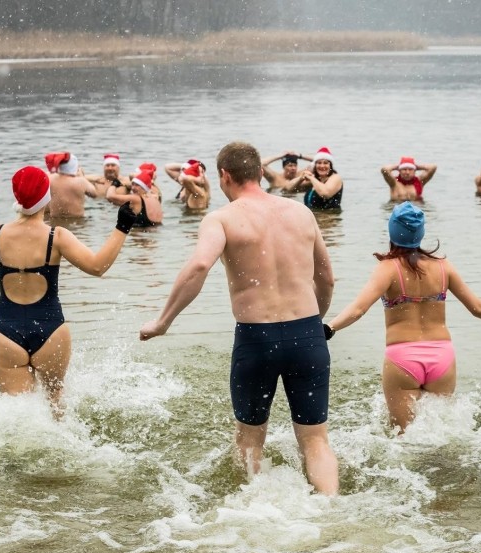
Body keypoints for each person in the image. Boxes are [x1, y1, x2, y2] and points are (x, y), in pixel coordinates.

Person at [140, 141, 338, 495]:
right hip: (307, 336)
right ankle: (331, 509)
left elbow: (200, 264)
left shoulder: (222, 219)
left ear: (224, 176)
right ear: (261, 173)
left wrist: (163, 322)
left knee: (249, 441)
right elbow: (327, 278)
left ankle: (256, 515)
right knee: (315, 441)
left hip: (256, 341)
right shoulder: (301, 214)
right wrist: (313, 325)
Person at [0, 165, 136, 417]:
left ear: (17, 197)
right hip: (51, 331)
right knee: (55, 405)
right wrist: (122, 227)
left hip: (6, 331)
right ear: (46, 197)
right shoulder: (57, 236)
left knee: (15, 416)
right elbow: (97, 267)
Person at [325, 202, 481, 433]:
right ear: (421, 233)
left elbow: (358, 309)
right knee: (441, 433)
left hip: (403, 358)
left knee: (402, 437)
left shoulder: (387, 269)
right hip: (442, 357)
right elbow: (478, 308)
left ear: (392, 232)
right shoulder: (443, 267)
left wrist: (329, 328)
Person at [44, 152, 98, 218]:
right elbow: (94, 194)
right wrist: (82, 177)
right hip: (77, 221)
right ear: (74, 167)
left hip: (55, 221)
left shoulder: (50, 179)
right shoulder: (81, 181)